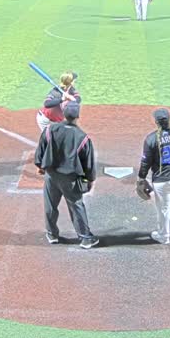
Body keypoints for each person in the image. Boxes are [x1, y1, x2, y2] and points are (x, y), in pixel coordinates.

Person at [35, 103, 99, 249]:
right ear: (78, 116)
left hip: (51, 175)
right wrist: (89, 180)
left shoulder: (49, 130)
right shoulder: (82, 137)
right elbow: (88, 165)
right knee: (76, 206)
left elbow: (40, 151)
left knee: (50, 205)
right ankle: (85, 238)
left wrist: (40, 166)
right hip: (71, 180)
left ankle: (52, 234)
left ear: (63, 114)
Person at [136, 108, 170, 245]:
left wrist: (141, 178)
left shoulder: (152, 139)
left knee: (164, 209)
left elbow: (146, 162)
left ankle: (164, 236)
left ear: (156, 122)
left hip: (163, 180)